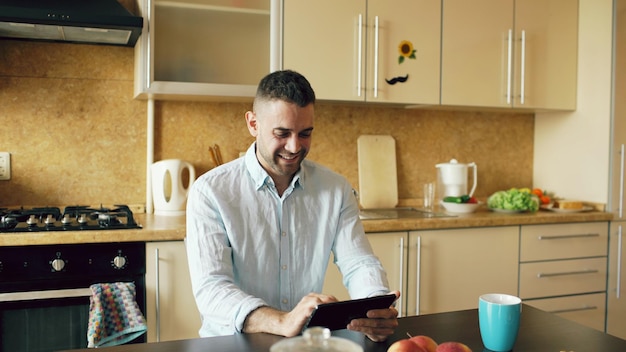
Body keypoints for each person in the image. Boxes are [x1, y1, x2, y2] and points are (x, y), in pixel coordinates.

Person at [185, 70, 399, 341]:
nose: (294, 146)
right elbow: (212, 288)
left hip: (302, 344)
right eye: (282, 133)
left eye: (305, 133)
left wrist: (375, 304)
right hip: (231, 343)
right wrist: (280, 320)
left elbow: (358, 262)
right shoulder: (211, 191)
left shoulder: (336, 189)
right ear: (253, 124)